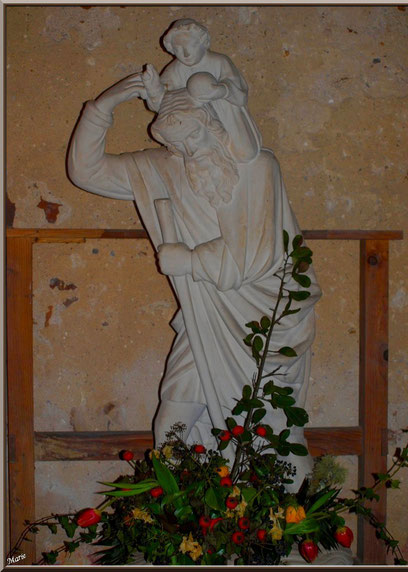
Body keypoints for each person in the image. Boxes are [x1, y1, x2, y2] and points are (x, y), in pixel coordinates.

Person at [67, 71, 321, 490]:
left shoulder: (258, 168)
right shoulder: (159, 169)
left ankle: (293, 520)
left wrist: (187, 259)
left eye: (192, 137)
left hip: (266, 322)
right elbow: (86, 170)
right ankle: (170, 515)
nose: (186, 151)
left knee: (272, 425)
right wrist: (105, 104)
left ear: (212, 123)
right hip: (203, 319)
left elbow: (257, 254)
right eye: (174, 144)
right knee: (173, 415)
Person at [141, 18, 262, 163]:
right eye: (178, 48)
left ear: (203, 43)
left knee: (244, 154)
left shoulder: (219, 61)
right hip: (196, 132)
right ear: (172, 49)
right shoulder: (174, 70)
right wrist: (153, 88)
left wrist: (221, 91)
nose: (185, 53)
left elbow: (240, 94)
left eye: (190, 45)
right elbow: (161, 104)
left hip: (226, 117)